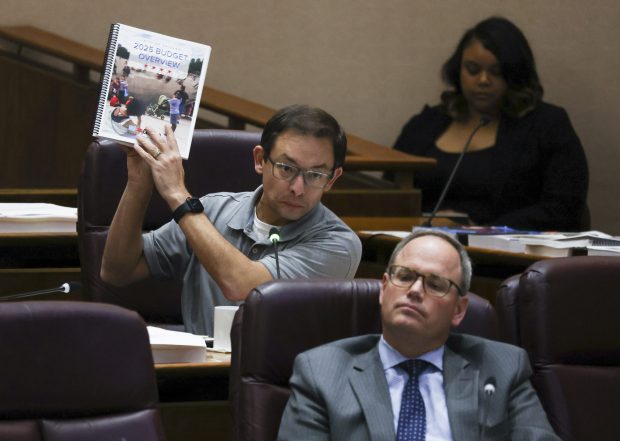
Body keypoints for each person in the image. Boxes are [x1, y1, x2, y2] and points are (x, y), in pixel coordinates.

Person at [100, 104, 362, 335]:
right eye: (286, 168)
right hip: (200, 378)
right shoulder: (212, 211)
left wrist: (177, 194)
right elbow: (117, 271)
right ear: (260, 160)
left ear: (333, 179)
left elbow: (241, 285)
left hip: (283, 386)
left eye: (315, 175)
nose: (298, 188)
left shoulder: (339, 245)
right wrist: (138, 184)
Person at [278, 229, 560, 440]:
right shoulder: (322, 372)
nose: (414, 291)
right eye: (404, 276)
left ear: (459, 310)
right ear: (384, 288)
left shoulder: (501, 368)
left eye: (435, 284)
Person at [392, 17, 588, 231]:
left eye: (496, 71)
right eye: (473, 69)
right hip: (426, 247)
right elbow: (390, 192)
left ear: (515, 73)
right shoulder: (426, 124)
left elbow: (564, 207)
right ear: (458, 70)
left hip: (506, 255)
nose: (483, 80)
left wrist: (488, 230)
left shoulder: (547, 125)